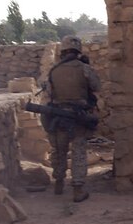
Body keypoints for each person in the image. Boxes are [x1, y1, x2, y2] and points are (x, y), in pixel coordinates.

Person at [42, 36, 101, 201]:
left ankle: (59, 183)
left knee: (59, 151)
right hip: (78, 116)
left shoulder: (54, 70)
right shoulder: (84, 68)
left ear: (63, 51)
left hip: (58, 116)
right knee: (79, 151)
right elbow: (97, 86)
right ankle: (78, 188)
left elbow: (48, 93)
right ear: (78, 51)